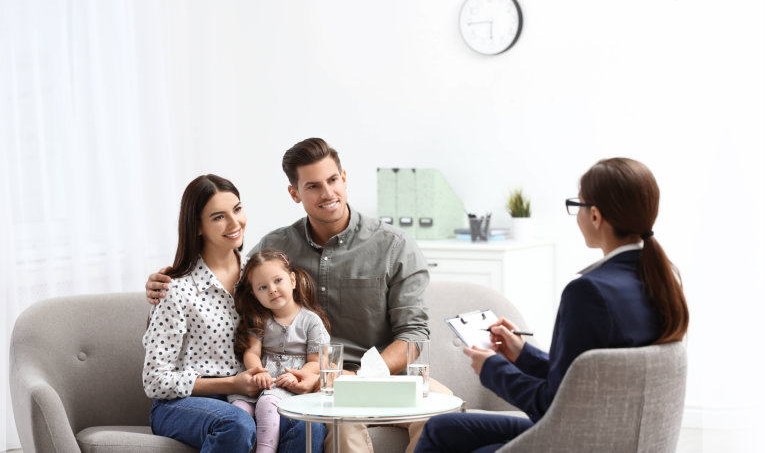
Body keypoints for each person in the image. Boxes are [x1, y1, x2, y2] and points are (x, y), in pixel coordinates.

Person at [144, 138, 445, 453]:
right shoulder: (274, 249)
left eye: (332, 180)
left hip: (377, 374)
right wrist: (160, 289)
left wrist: (360, 376)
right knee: (334, 424)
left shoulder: (394, 246)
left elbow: (414, 333)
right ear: (294, 193)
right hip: (311, 382)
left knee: (441, 413)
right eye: (313, 186)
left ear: (345, 177)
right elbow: (225, 289)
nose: (327, 193)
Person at [415, 157, 692, 453]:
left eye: (578, 205)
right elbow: (581, 378)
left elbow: (549, 403)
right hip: (607, 436)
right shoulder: (662, 280)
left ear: (595, 215)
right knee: (440, 428)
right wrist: (521, 354)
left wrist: (491, 368)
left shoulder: (588, 292)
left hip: (572, 440)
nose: (577, 215)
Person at [142, 174, 325, 453]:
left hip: (255, 395)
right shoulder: (176, 288)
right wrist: (231, 383)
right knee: (237, 423)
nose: (234, 223)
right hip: (183, 403)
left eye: (237, 209)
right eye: (218, 217)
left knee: (308, 425)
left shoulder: (260, 277)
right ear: (198, 227)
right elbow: (155, 381)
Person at [229, 249, 332, 453]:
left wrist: (298, 377)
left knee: (267, 402)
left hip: (287, 384)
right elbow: (251, 353)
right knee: (238, 413)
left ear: (292, 280)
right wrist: (258, 372)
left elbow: (316, 361)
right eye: (263, 287)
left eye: (278, 281)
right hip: (260, 381)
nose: (272, 290)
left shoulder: (311, 321)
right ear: (254, 294)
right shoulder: (260, 319)